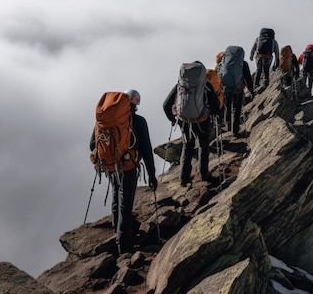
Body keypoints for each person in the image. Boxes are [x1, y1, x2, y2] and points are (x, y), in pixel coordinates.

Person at [89, 89, 157, 254]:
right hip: (128, 166)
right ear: (135, 103)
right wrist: (151, 175)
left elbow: (92, 145)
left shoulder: (104, 121)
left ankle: (116, 226)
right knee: (126, 205)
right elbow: (147, 150)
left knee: (116, 193)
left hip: (110, 165)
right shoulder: (138, 121)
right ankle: (124, 246)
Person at [163, 63, 221, 187]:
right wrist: (213, 113)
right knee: (203, 145)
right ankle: (204, 173)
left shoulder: (181, 85)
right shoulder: (205, 84)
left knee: (187, 146)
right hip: (202, 120)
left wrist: (173, 119)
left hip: (184, 121)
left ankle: (184, 178)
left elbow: (166, 105)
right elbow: (215, 104)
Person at [221, 49, 254, 138]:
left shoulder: (224, 63)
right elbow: (248, 78)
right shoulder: (243, 64)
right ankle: (235, 130)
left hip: (226, 89)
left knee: (228, 106)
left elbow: (220, 75)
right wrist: (251, 90)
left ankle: (228, 126)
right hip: (238, 89)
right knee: (237, 109)